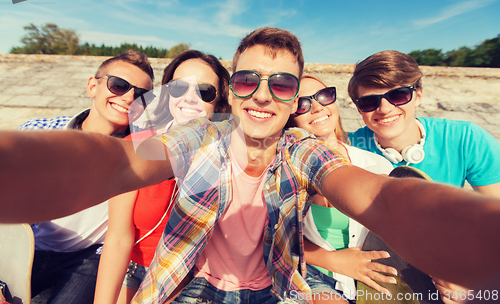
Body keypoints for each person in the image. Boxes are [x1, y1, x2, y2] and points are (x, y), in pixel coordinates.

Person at [1, 28, 500, 304]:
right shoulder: (196, 138)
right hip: (191, 283)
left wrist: (477, 236)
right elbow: (118, 165)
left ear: (294, 96)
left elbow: (374, 196)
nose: (262, 95)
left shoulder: (300, 150)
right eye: (247, 80)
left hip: (278, 288)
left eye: (282, 84)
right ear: (232, 89)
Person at [347, 50, 500, 303]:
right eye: (369, 101)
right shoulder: (348, 149)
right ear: (359, 108)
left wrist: (470, 278)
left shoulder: (466, 139)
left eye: (398, 95)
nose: (384, 109)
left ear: (418, 94)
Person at [17, 50, 154, 304]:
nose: (128, 98)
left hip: (85, 259)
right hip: (24, 246)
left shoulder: (138, 156)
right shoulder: (37, 131)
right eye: (119, 85)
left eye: (141, 95)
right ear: (93, 85)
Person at [94, 50, 230, 304]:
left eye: (205, 92)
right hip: (135, 270)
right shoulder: (136, 146)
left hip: (193, 277)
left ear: (218, 103)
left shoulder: (229, 159)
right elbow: (118, 237)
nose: (190, 99)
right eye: (179, 88)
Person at [286, 76, 396, 303]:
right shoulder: (284, 170)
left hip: (372, 276)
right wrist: (334, 261)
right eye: (303, 104)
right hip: (312, 275)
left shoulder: (376, 165)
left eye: (324, 96)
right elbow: (277, 240)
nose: (317, 108)